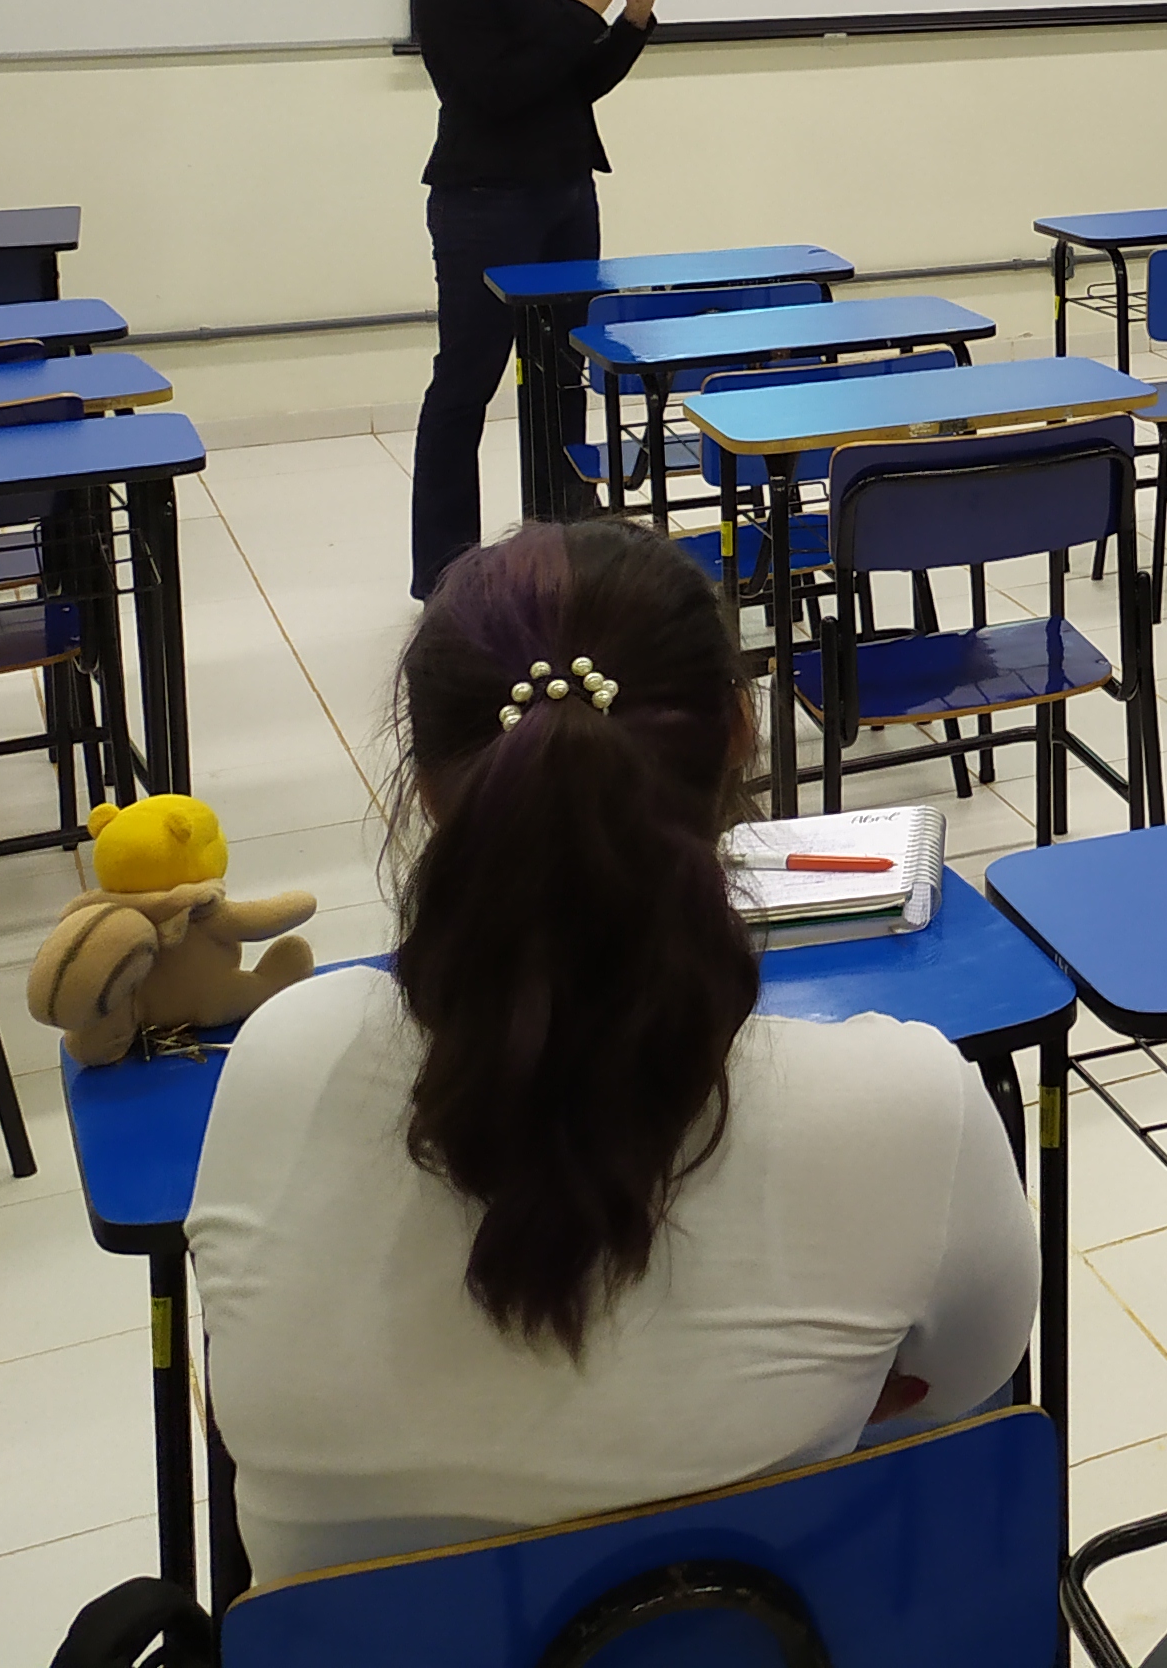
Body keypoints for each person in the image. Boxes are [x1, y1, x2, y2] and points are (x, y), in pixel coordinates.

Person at [186, 519, 1035, 1583]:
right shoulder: (911, 1110)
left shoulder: (279, 1062)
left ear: (430, 784)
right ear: (741, 731)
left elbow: (237, 1389)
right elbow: (967, 1379)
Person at [408, 0, 659, 598]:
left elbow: (572, 83)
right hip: (486, 202)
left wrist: (630, 26)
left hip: (565, 190)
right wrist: (581, 16)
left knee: (561, 374)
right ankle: (444, 571)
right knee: (468, 379)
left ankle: (561, 544)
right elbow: (490, 93)